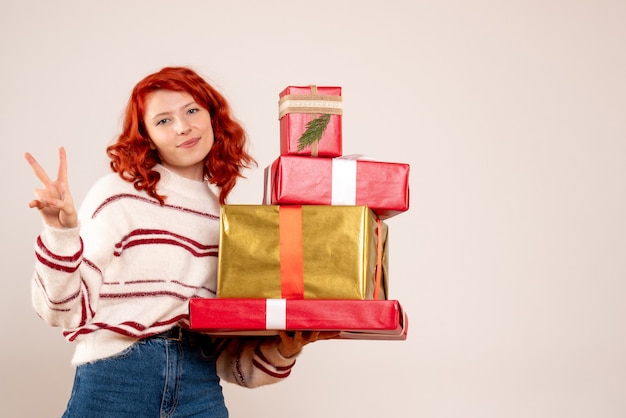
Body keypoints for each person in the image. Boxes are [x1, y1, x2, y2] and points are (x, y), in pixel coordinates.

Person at [25, 66, 336, 417]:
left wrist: (284, 349)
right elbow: (61, 311)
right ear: (147, 137)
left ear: (212, 117)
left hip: (197, 384)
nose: (183, 127)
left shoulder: (224, 220)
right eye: (163, 121)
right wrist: (61, 233)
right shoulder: (118, 196)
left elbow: (231, 362)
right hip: (117, 380)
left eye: (191, 111)